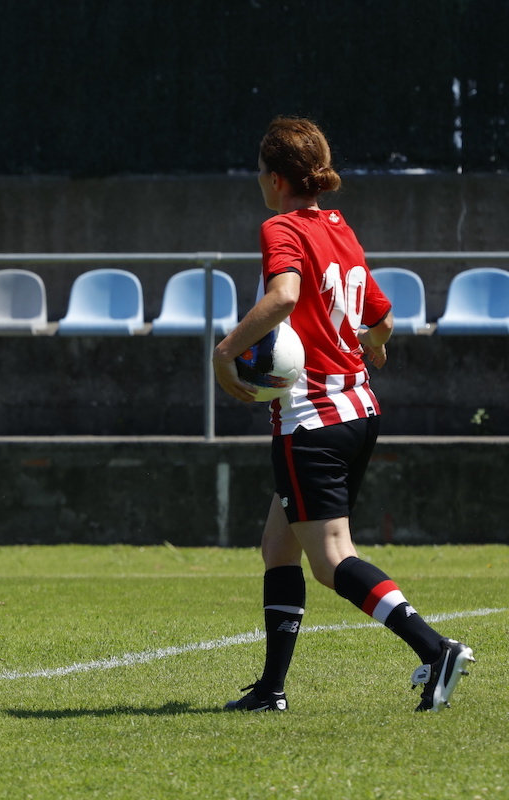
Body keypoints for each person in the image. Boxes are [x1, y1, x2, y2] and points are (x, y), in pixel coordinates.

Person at [212, 116, 474, 712]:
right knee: (278, 547)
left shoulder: (281, 226)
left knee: (332, 559)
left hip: (313, 420)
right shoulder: (340, 229)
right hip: (358, 410)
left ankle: (434, 651)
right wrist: (374, 342)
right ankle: (270, 690)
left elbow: (283, 296)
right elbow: (380, 314)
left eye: (260, 170)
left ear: (275, 178)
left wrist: (225, 351)